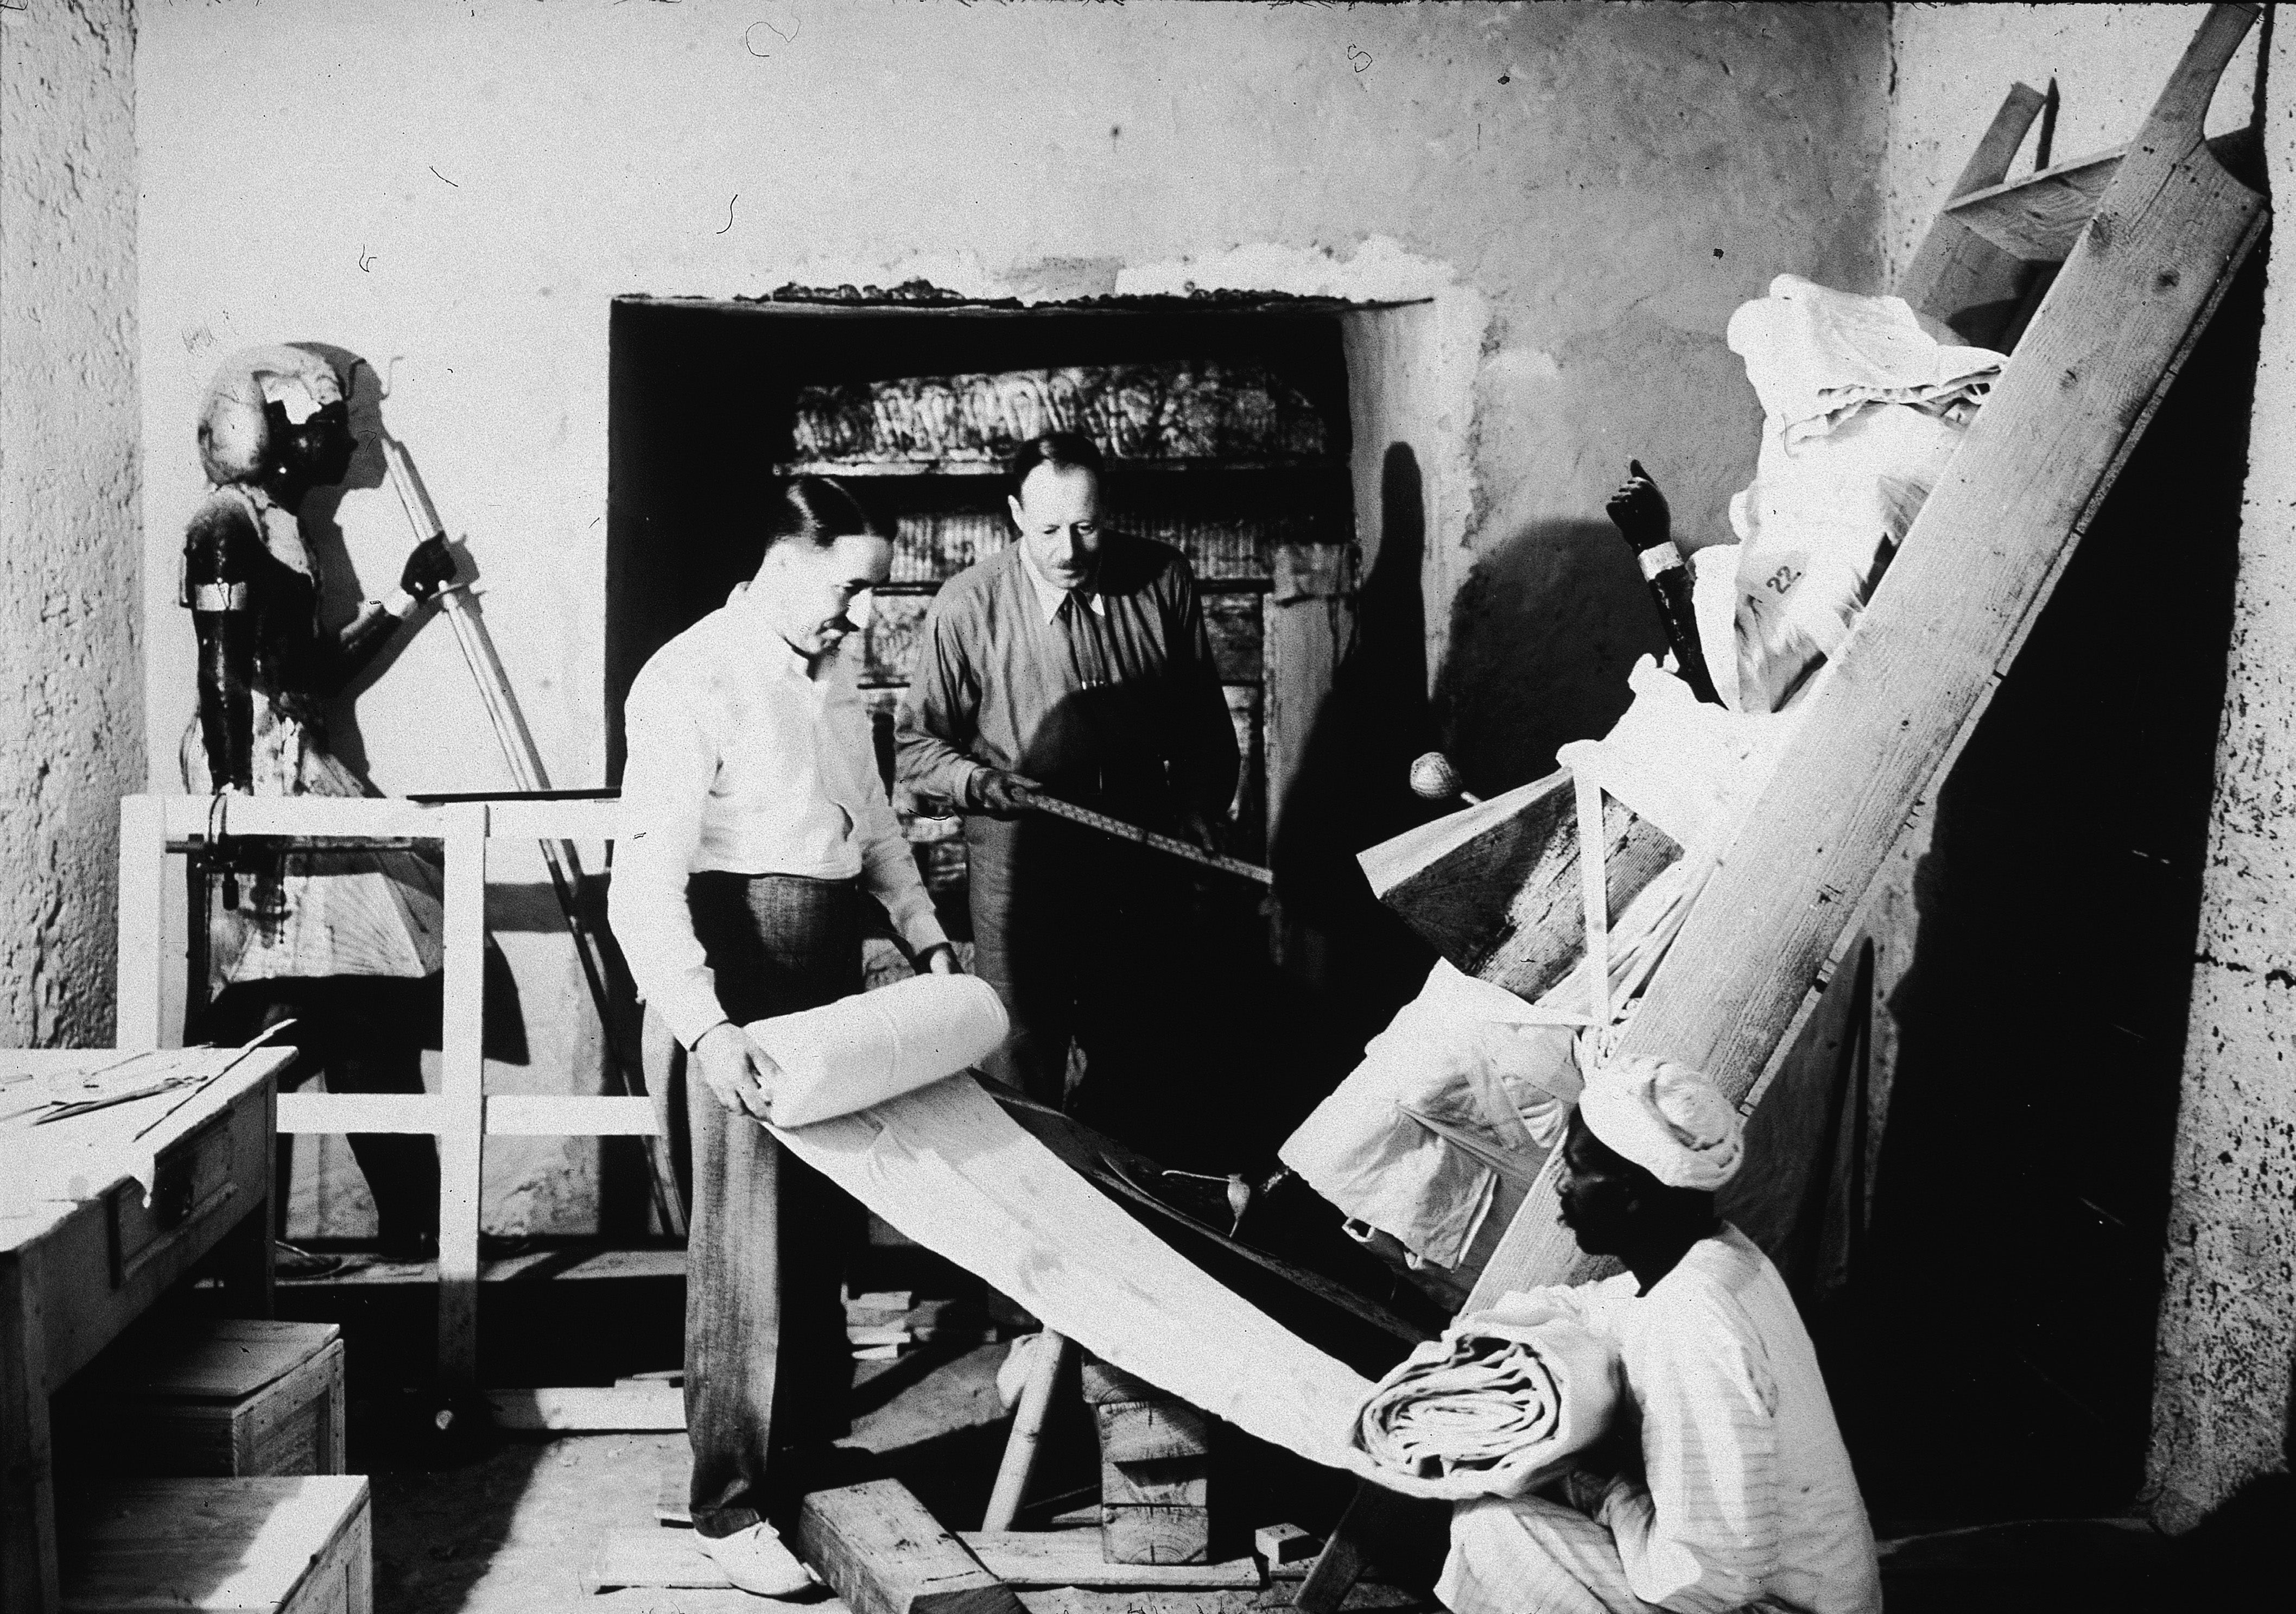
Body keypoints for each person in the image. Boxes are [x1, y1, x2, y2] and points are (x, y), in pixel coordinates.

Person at [610, 477, 956, 1599]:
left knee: (816, 1222)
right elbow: (639, 891)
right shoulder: (689, 675)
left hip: (825, 956)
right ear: (783, 558)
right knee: (742, 1243)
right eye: (850, 587)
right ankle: (727, 1504)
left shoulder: (835, 667)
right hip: (738, 959)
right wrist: (709, 1028)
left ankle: (796, 1453)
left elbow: (872, 815)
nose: (860, 614)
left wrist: (925, 933)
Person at [180, 344, 459, 1265]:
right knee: (257, 1007)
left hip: (295, 758)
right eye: (326, 421)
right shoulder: (227, 523)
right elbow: (221, 675)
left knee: (362, 997)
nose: (342, 437)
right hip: (256, 773)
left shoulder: (288, 529)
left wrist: (406, 599)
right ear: (271, 429)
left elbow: (313, 677)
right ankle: (202, 1228)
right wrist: (234, 817)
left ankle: (414, 1226)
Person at [1437, 1058, 1882, 1614]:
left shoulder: (1690, 1320)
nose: (1562, 1185)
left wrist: (1605, 1490)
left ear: (1629, 1193)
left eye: (1576, 1168)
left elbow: (1714, 1578)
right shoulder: (1724, 1257)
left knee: (1495, 1530)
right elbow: (1602, 1305)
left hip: (1781, 1605)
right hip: (1818, 1594)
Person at [893, 432, 1237, 1143]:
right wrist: (980, 781)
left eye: (1086, 526)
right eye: (1048, 529)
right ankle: (1029, 1223)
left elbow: (1203, 725)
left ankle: (1130, 1223)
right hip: (1020, 861)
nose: (1070, 549)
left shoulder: (1161, 578)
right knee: (1022, 1047)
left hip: (1137, 855)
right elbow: (916, 749)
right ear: (1014, 513)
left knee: (1140, 1043)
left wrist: (1201, 805)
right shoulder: (968, 605)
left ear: (1105, 511)